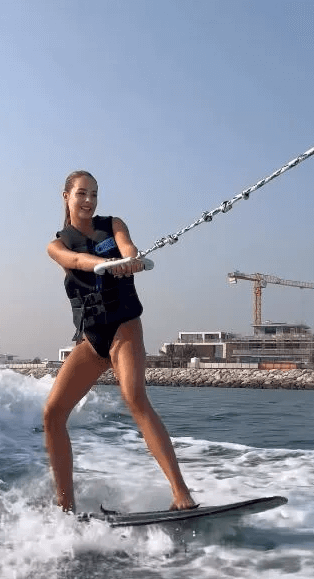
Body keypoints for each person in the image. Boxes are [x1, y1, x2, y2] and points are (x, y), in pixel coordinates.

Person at [44, 170, 197, 513]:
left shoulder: (113, 223)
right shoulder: (57, 245)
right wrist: (103, 264)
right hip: (93, 338)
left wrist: (128, 260)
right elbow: (76, 261)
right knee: (53, 413)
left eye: (94, 194)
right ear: (65, 195)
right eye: (82, 193)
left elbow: (128, 246)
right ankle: (65, 507)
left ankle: (181, 495)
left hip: (124, 327)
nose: (89, 201)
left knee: (134, 397)